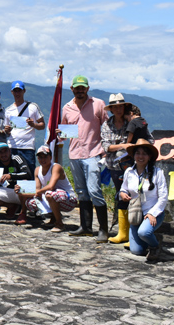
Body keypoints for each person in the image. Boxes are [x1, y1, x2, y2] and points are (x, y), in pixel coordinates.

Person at [59, 75, 109, 242]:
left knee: (94, 191)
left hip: (93, 153)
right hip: (74, 154)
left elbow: (107, 127)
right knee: (81, 191)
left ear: (87, 88)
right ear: (72, 89)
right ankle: (86, 227)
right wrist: (60, 134)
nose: (80, 91)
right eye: (77, 88)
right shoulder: (66, 108)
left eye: (83, 88)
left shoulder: (98, 104)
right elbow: (64, 133)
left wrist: (106, 150)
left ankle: (103, 229)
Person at [120, 139, 168, 261]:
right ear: (134, 155)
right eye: (138, 153)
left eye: (144, 153)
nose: (140, 156)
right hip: (136, 213)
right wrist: (123, 193)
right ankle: (152, 237)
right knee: (137, 251)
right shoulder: (129, 172)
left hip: (152, 212)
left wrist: (153, 213)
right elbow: (124, 188)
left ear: (149, 156)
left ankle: (155, 245)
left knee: (144, 232)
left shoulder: (158, 173)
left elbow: (163, 197)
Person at [100, 93, 133, 244]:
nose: (118, 109)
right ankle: (123, 232)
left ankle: (132, 233)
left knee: (133, 196)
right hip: (114, 166)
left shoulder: (131, 123)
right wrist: (124, 146)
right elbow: (106, 147)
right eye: (115, 107)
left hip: (132, 166)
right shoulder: (106, 125)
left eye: (121, 106)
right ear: (111, 109)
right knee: (121, 195)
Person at [24, 145, 78, 232]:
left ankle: (59, 223)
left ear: (50, 157)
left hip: (68, 199)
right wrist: (22, 190)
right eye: (40, 157)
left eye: (45, 157)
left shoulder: (56, 167)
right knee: (31, 203)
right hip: (53, 196)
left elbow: (51, 186)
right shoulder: (37, 170)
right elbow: (38, 189)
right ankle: (53, 218)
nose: (43, 159)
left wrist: (38, 192)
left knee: (50, 194)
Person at [3, 81, 45, 173]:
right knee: (13, 173)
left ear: (24, 91)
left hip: (27, 147)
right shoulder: (8, 110)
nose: (17, 93)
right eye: (15, 91)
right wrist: (7, 130)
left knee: (29, 173)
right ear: (12, 92)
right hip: (12, 146)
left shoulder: (33, 107)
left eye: (19, 91)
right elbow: (7, 130)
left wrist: (33, 125)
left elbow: (42, 125)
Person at [0, 142, 32, 222]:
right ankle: (11, 206)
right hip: (6, 191)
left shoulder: (17, 158)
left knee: (25, 182)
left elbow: (28, 174)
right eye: (0, 152)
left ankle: (23, 213)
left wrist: (11, 176)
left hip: (19, 192)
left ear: (9, 151)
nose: (3, 154)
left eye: (5, 151)